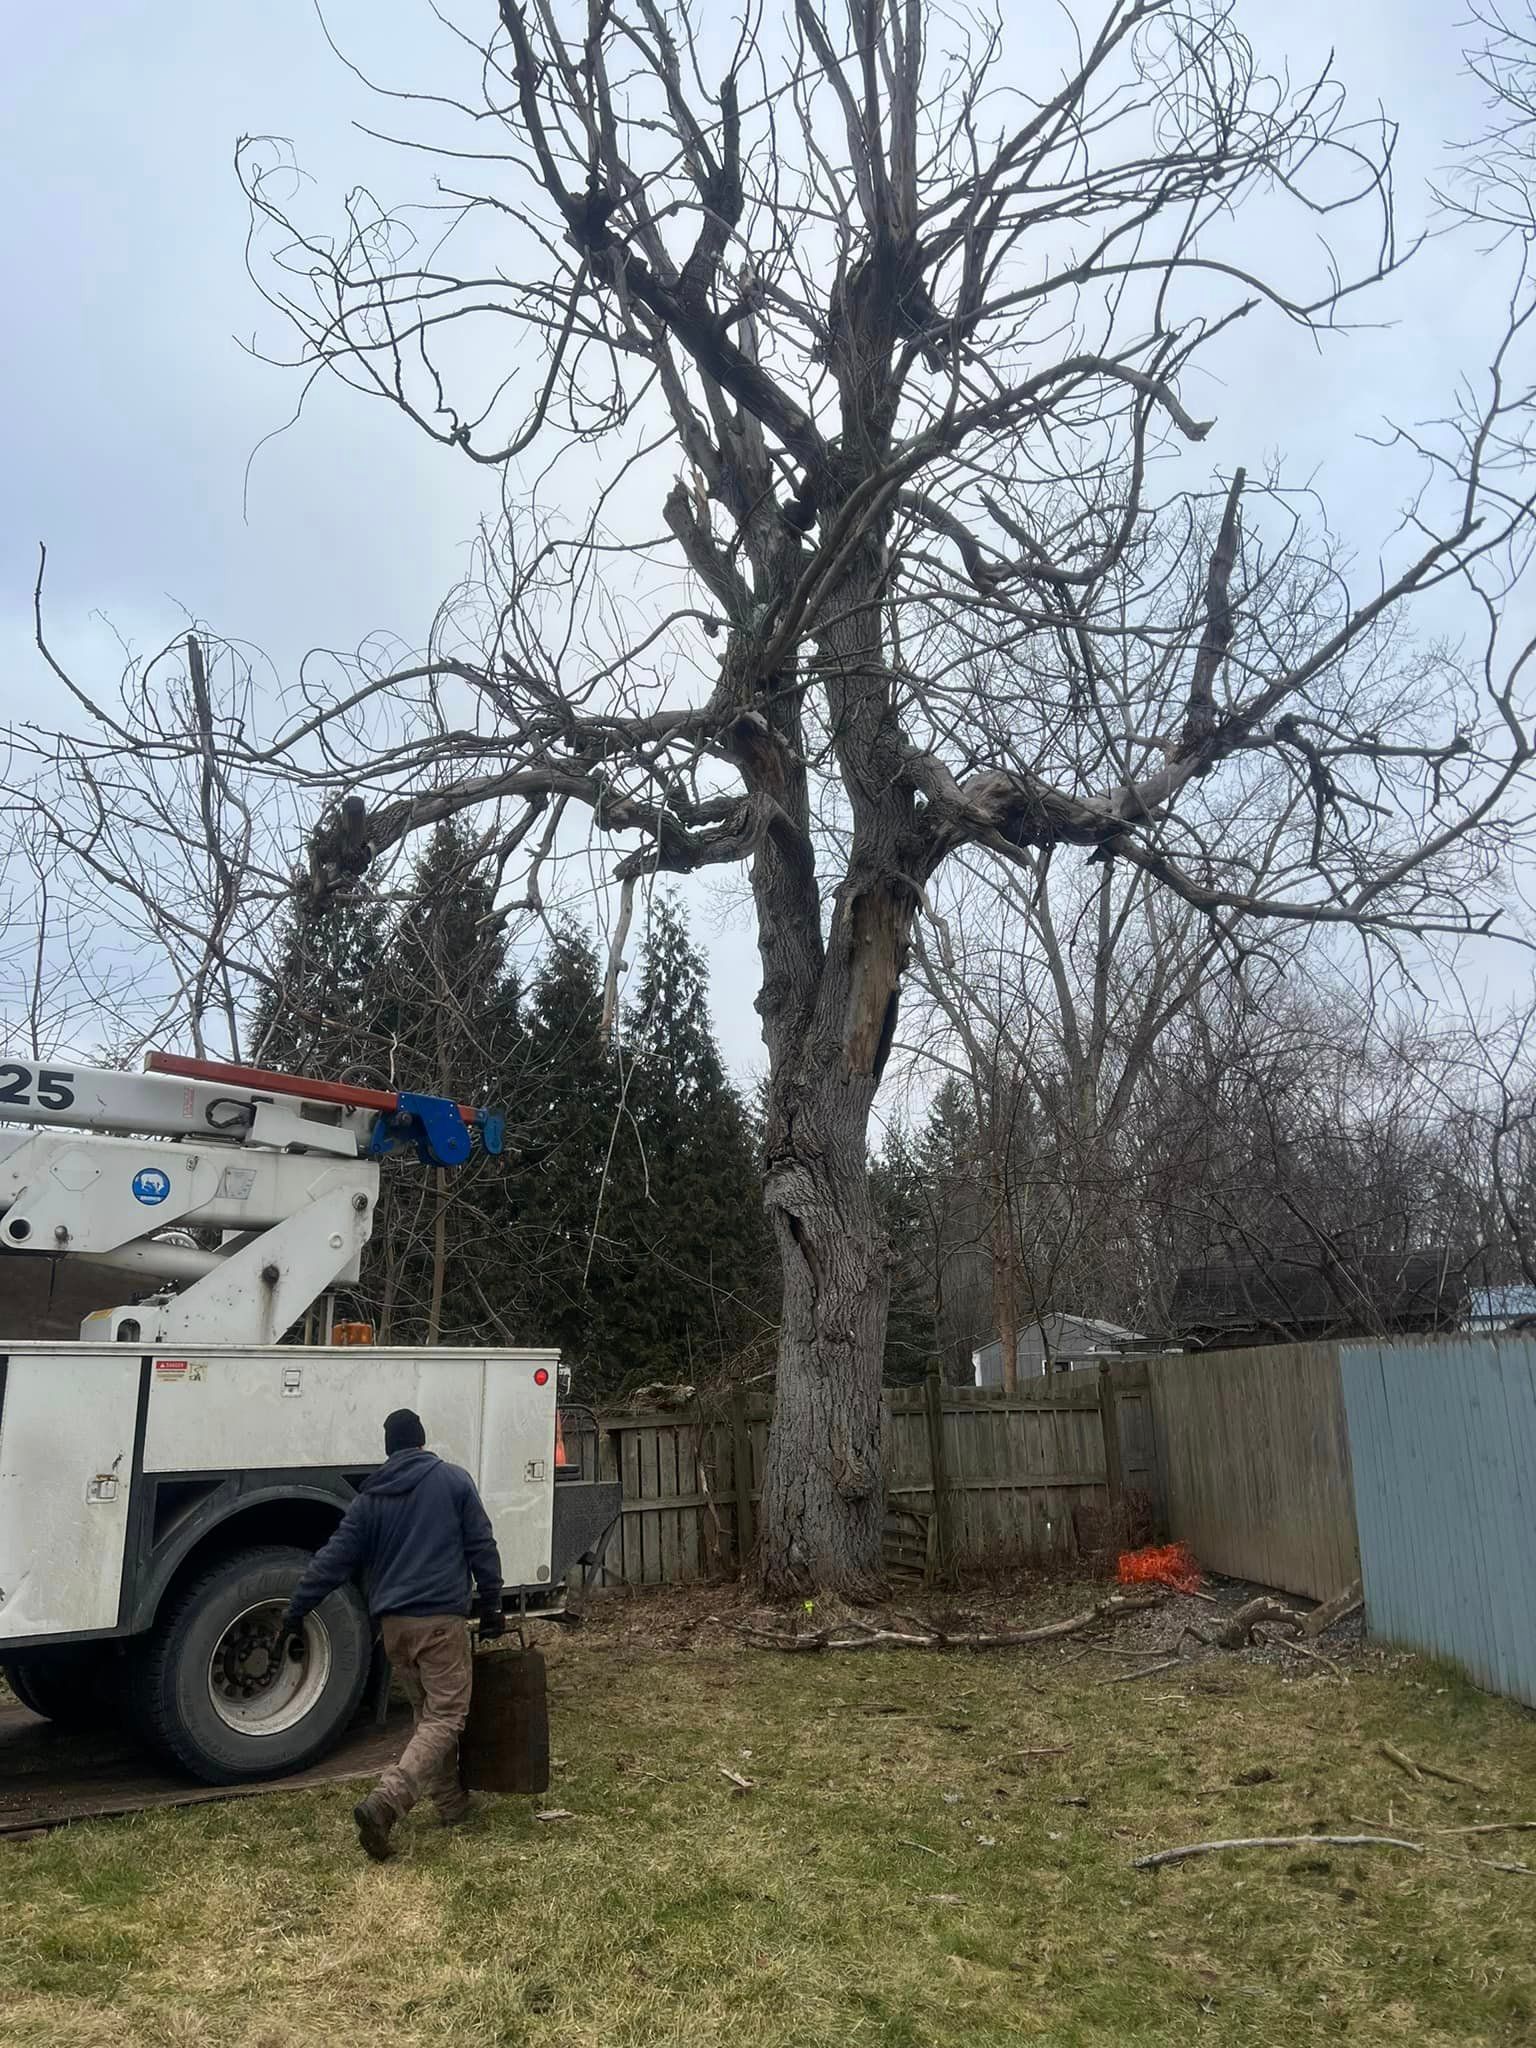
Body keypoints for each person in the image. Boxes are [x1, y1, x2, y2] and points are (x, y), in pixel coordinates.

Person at [281, 1406, 504, 1861]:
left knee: (429, 1718)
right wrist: (493, 1601)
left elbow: (332, 1560)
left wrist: (296, 1609)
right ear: (422, 1441)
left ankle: (452, 1805)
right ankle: (388, 1800)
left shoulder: (370, 1499)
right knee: (445, 1717)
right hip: (440, 1622)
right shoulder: (453, 1481)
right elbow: (481, 1543)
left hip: (394, 1629)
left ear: (389, 1450)